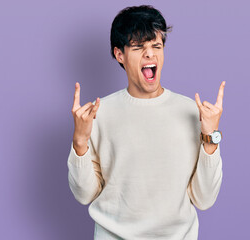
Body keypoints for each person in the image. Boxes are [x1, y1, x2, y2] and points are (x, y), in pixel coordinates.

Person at [67, 5, 225, 240]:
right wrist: (80, 140)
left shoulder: (193, 112)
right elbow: (84, 195)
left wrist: (210, 136)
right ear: (120, 54)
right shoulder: (98, 114)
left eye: (156, 46)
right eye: (139, 47)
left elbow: (205, 199)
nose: (150, 54)